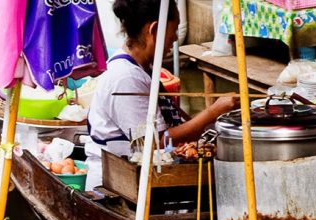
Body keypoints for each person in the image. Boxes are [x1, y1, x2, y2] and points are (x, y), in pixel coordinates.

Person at [85, 0, 237, 191]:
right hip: (117, 185)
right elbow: (153, 142)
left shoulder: (143, 69)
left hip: (143, 178)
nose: (174, 38)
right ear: (154, 30)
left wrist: (216, 119)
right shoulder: (125, 77)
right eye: (173, 31)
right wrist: (214, 111)